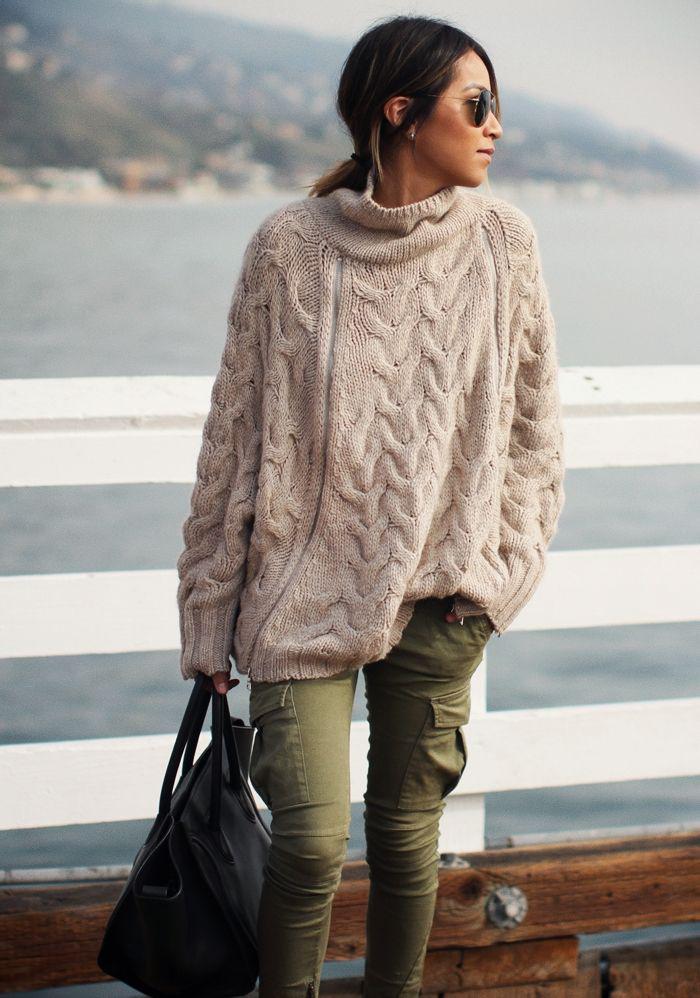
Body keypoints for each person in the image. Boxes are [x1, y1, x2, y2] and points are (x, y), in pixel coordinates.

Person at [175, 13, 565, 996]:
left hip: (444, 599)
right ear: (400, 111)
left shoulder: (505, 244)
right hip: (297, 597)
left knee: (404, 839)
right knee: (308, 844)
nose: (495, 125)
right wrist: (208, 611)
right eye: (476, 103)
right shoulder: (290, 249)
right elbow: (234, 440)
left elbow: (534, 431)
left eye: (496, 105)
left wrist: (500, 572)